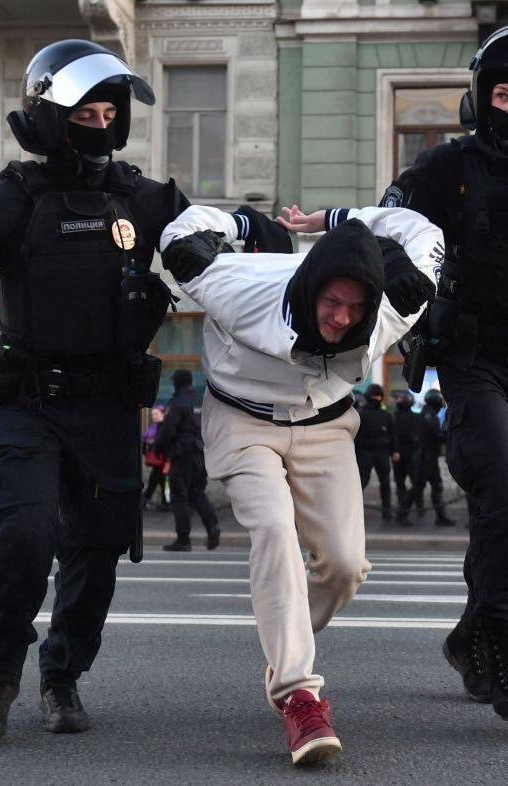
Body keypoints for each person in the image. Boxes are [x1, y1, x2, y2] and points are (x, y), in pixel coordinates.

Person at [0, 39, 247, 742]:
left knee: (96, 555)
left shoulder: (147, 201)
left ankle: (63, 676)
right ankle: (1, 669)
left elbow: (228, 252)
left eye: (106, 112)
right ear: (47, 117)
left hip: (108, 407)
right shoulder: (8, 203)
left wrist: (318, 252)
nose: (97, 125)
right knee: (24, 537)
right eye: (82, 112)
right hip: (27, 401)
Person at [279, 23, 508, 721]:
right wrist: (400, 280)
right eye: (500, 94)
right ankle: (500, 644)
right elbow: (388, 228)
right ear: (479, 95)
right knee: (502, 495)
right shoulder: (446, 169)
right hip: (470, 360)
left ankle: (472, 632)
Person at [160, 203, 437, 764]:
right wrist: (241, 223)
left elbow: (422, 231)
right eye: (331, 303)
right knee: (275, 533)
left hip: (326, 425)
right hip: (241, 421)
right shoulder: (239, 284)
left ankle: (284, 630)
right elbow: (179, 234)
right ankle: (298, 695)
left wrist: (341, 218)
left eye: (355, 309)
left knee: (344, 565)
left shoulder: (398, 303)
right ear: (308, 287)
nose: (341, 318)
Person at [156, 369, 220, 552]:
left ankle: (183, 539)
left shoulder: (178, 403)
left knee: (180, 495)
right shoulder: (201, 401)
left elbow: (168, 429)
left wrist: (157, 447)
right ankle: (212, 525)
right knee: (197, 492)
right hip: (201, 453)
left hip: (182, 454)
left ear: (177, 383)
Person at [396, 389, 455, 527]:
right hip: (424, 458)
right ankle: (401, 513)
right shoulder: (429, 414)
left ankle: (441, 516)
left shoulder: (429, 413)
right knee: (418, 486)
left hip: (428, 457)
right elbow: (437, 435)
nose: (442, 403)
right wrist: (451, 436)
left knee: (436, 486)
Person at [354, 383, 397, 520]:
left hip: (380, 452)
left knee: (384, 482)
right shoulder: (360, 413)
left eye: (378, 396)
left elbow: (392, 435)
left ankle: (387, 511)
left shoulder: (386, 415)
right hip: (365, 452)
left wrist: (394, 451)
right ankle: (354, 511)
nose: (377, 398)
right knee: (362, 482)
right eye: (375, 396)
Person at [391, 390, 423, 514]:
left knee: (415, 483)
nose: (396, 401)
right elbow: (393, 436)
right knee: (401, 483)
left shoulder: (415, 417)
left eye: (399, 398)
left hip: (411, 454)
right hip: (400, 454)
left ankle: (416, 508)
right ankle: (403, 510)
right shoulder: (394, 416)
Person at [141, 406, 170, 511]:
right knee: (160, 481)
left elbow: (162, 441)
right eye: (153, 414)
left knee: (155, 481)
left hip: (163, 459)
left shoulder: (163, 427)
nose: (154, 416)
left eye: (156, 414)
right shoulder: (154, 426)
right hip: (158, 460)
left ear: (162, 414)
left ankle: (144, 501)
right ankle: (164, 503)